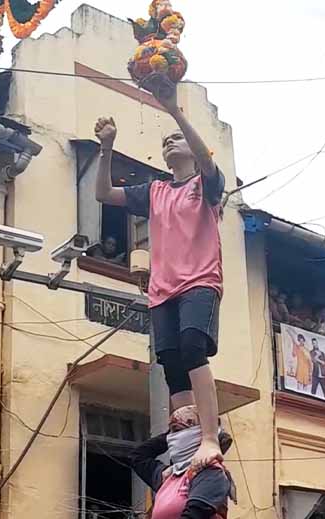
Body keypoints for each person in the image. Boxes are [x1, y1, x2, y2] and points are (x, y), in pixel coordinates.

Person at [95, 81, 227, 470]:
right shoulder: (154, 191)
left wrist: (174, 110)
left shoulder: (206, 185)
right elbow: (104, 193)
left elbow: (207, 160)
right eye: (165, 141)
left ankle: (207, 434)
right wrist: (105, 148)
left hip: (200, 281)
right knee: (170, 361)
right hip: (162, 289)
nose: (170, 142)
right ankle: (186, 442)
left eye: (177, 139)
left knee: (191, 347)